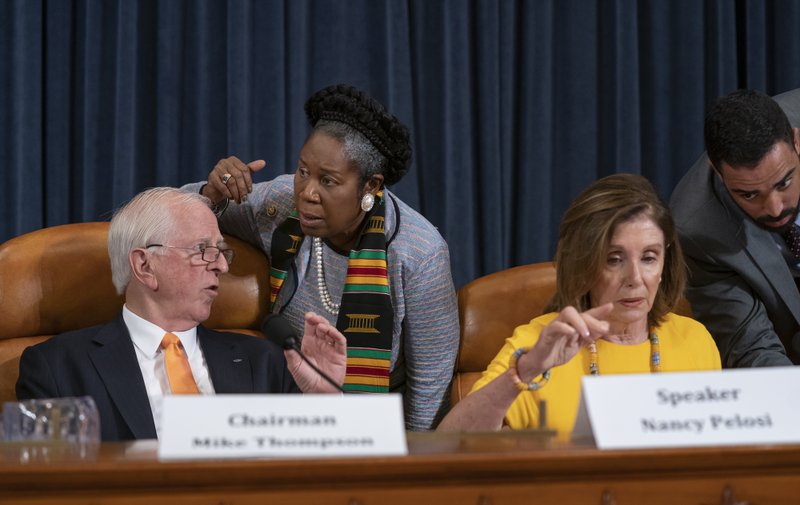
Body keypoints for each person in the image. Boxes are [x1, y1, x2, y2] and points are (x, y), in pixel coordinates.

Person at [182, 84, 459, 431]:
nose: (307, 193)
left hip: (378, 437)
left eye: (328, 181)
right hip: (283, 418)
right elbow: (173, 218)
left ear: (371, 186)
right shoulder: (281, 205)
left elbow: (430, 397)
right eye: (302, 171)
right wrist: (212, 193)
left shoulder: (419, 255)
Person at [16, 187, 346, 441]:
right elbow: (46, 488)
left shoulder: (264, 361)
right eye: (204, 250)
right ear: (145, 265)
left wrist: (322, 402)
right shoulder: (56, 368)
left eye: (222, 251)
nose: (222, 265)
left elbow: (312, 480)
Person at [437, 174, 720, 438]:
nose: (635, 279)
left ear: (665, 262)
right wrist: (526, 371)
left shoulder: (695, 340)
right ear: (583, 263)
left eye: (649, 257)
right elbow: (451, 441)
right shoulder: (538, 342)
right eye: (614, 259)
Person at [670, 88, 800, 367]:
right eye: (750, 195)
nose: (775, 208)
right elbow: (752, 347)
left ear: (797, 143)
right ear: (718, 172)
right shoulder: (697, 230)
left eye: (784, 183)